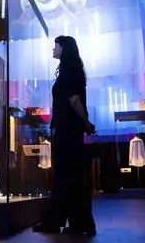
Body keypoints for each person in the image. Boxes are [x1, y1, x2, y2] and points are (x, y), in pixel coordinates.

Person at [32, 35, 97, 236]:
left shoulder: (69, 72)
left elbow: (75, 100)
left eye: (56, 46)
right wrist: (84, 124)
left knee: (66, 174)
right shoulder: (73, 70)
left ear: (63, 48)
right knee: (72, 175)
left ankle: (64, 221)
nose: (53, 49)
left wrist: (86, 123)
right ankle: (78, 222)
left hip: (68, 129)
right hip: (71, 128)